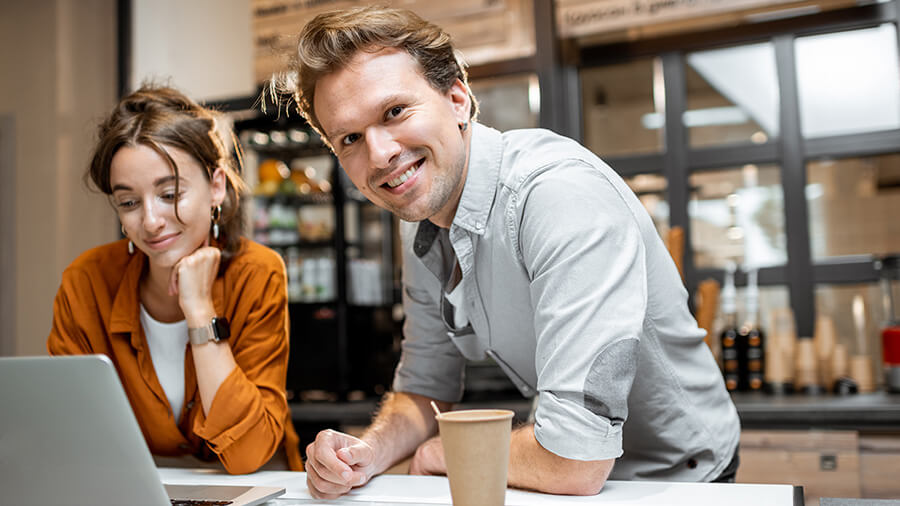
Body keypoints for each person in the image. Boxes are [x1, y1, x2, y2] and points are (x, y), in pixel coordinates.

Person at [288, 6, 740, 498]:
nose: (379, 155)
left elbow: (572, 459)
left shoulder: (558, 196)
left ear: (458, 99)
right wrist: (366, 454)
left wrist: (439, 453)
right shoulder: (420, 216)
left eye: (395, 112)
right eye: (350, 138)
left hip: (679, 479)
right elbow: (424, 387)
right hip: (563, 484)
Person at [47, 85, 303, 474]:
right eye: (129, 202)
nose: (150, 221)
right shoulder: (86, 281)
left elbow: (250, 453)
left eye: (170, 194)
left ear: (216, 186)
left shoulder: (257, 273)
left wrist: (200, 312)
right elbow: (66, 437)